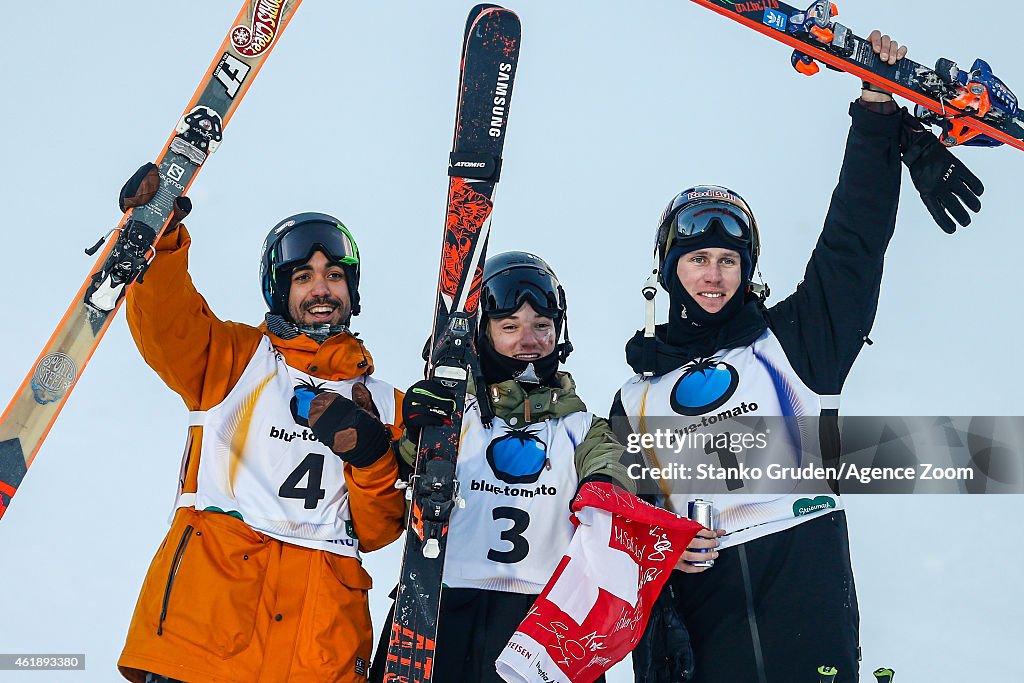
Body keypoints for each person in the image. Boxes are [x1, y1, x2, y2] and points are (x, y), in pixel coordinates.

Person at [613, 32, 984, 683]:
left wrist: (875, 110)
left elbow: (853, 244)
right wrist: (659, 551)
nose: (713, 275)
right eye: (698, 259)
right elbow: (618, 530)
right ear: (670, 272)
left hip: (809, 631)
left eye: (728, 260)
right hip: (706, 642)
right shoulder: (635, 399)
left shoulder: (792, 347)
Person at [114, 164, 406, 683]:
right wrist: (158, 239)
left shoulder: (385, 403)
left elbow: (381, 530)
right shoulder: (232, 358)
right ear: (280, 289)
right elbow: (166, 322)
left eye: (334, 275)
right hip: (204, 634)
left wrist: (368, 457)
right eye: (304, 276)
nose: (322, 288)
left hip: (318, 647)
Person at [371, 251, 715, 682]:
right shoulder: (459, 415)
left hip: (540, 627)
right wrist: (414, 434)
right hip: (439, 615)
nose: (527, 340)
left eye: (541, 326)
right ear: (483, 333)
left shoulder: (583, 429)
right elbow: (397, 483)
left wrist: (658, 539)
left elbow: (614, 484)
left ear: (559, 332)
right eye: (509, 327)